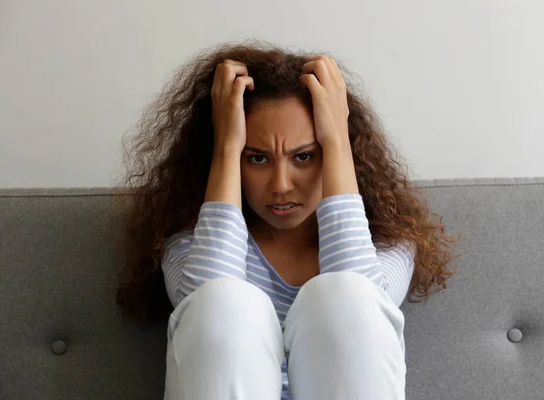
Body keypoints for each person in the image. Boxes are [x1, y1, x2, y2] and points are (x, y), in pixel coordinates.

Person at [116, 41, 457, 400]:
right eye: (257, 159)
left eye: (305, 156)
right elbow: (205, 313)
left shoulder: (387, 246)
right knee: (222, 299)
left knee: (345, 293)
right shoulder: (189, 246)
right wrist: (227, 145)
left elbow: (361, 307)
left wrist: (338, 138)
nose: (281, 185)